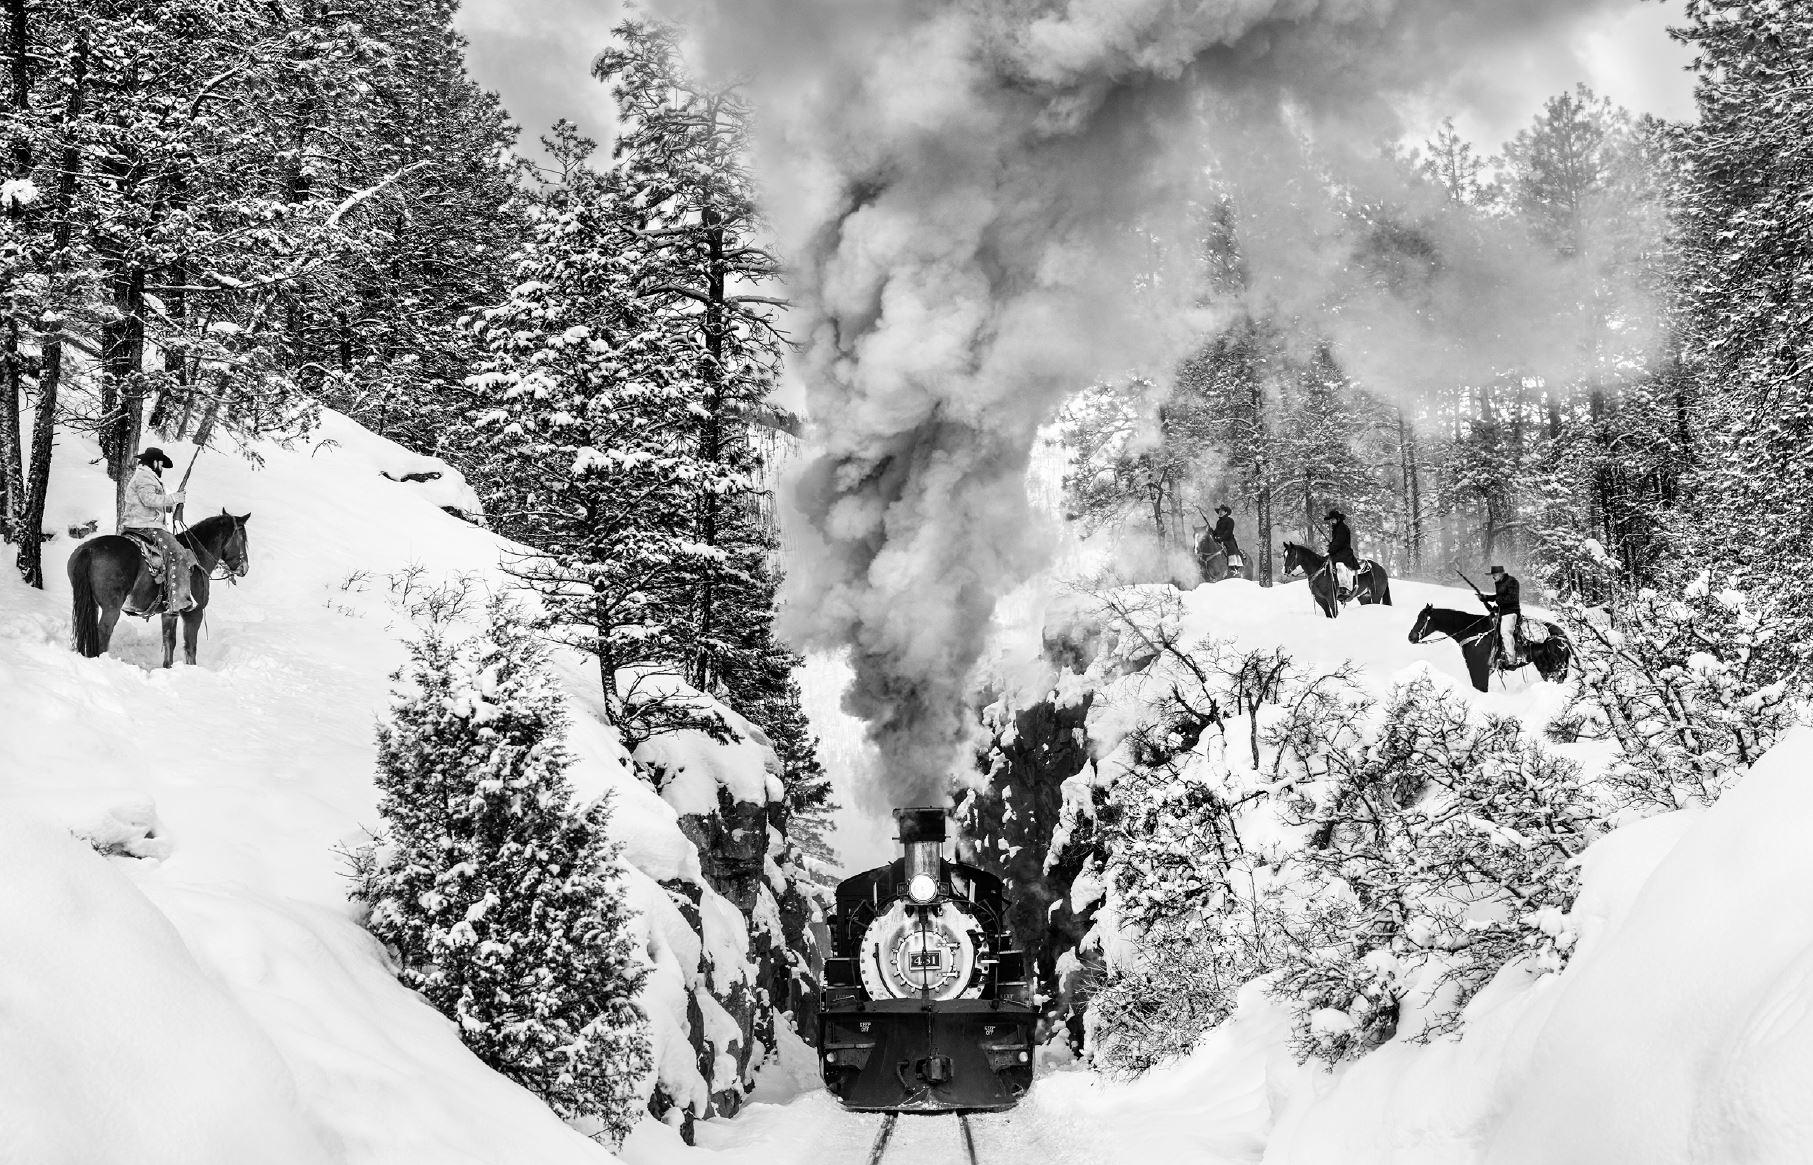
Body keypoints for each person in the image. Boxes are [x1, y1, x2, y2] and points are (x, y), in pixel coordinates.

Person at [118, 447, 196, 613]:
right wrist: (174, 498)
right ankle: (179, 600)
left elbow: (154, 503)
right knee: (178, 554)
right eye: (161, 463)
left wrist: (172, 504)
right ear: (154, 462)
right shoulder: (145, 476)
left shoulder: (145, 476)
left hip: (140, 523)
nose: (161, 467)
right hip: (146, 526)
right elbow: (149, 500)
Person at [1485, 564, 1522, 664]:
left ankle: (1511, 660)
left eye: (1495, 575)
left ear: (1501, 574)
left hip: (1511, 612)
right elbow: (1499, 596)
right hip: (1502, 612)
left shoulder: (1512, 582)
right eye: (1492, 575)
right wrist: (1486, 597)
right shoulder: (1500, 582)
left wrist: (1497, 600)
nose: (1493, 577)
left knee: (1505, 632)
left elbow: (1512, 598)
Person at [1325, 508, 1359, 598]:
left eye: (1333, 519)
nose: (1332, 521)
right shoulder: (1336, 528)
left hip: (1345, 552)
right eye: (1331, 520)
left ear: (1338, 519)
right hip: (1338, 551)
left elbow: (1339, 542)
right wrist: (1331, 545)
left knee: (1340, 565)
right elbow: (1336, 542)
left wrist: (1331, 549)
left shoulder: (1342, 528)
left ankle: (1345, 588)